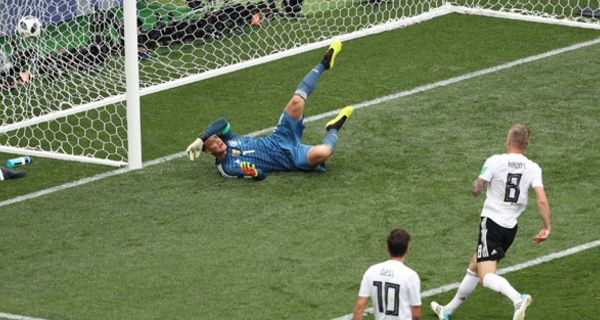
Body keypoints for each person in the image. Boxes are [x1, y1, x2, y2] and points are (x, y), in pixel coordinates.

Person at [430, 124, 551, 320]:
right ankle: (447, 311)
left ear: (508, 141)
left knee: (486, 277)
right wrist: (547, 227)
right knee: (475, 265)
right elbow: (542, 199)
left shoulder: (496, 161)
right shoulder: (533, 168)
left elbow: (477, 188)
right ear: (526, 144)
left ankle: (517, 299)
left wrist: (477, 186)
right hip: (510, 228)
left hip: (492, 223)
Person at [185, 39, 353, 180]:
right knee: (323, 152)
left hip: (279, 138)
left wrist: (202, 138)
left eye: (216, 138)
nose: (217, 141)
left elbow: (222, 121)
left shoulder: (229, 138)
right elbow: (261, 175)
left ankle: (324, 63)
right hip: (291, 159)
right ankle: (333, 128)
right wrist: (254, 173)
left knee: (296, 101)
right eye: (212, 143)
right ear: (207, 152)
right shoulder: (227, 168)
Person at [352, 228, 422, 320]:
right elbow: (416, 314)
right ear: (407, 250)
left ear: (387, 248)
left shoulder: (372, 271)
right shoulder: (411, 276)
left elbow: (359, 306)